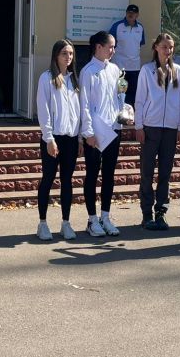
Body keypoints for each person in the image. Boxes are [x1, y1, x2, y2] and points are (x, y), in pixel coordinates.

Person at [135, 33, 180, 230]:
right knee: (147, 172)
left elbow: (179, 101)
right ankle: (147, 214)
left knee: (165, 173)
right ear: (156, 47)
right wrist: (139, 126)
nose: (168, 50)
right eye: (164, 47)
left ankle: (161, 213)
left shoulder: (177, 70)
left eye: (171, 47)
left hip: (170, 129)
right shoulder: (147, 70)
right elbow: (140, 99)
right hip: (150, 127)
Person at [35, 40, 82, 241]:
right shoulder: (47, 78)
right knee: (48, 179)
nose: (68, 57)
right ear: (56, 55)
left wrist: (79, 138)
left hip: (71, 138)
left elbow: (78, 112)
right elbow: (43, 110)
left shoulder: (74, 80)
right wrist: (49, 138)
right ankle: (43, 223)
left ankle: (65, 222)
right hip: (53, 138)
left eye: (71, 54)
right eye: (64, 53)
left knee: (67, 181)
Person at [79, 30, 123, 238]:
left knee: (109, 174)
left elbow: (118, 97)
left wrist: (124, 112)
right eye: (110, 47)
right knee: (92, 174)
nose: (113, 50)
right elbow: (85, 104)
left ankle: (106, 216)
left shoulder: (115, 69)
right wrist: (88, 132)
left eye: (114, 47)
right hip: (95, 133)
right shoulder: (88, 71)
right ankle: (92, 219)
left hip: (113, 130)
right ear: (98, 47)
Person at [110, 5, 146, 104]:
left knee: (132, 96)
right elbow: (110, 45)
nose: (131, 14)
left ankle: (130, 113)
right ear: (126, 13)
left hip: (135, 67)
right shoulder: (117, 26)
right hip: (119, 67)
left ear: (137, 15)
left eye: (133, 13)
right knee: (119, 95)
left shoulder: (140, 28)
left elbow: (139, 44)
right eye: (129, 12)